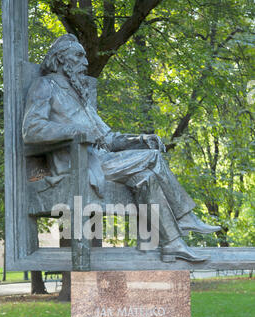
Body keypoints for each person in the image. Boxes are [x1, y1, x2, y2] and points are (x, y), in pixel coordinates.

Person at [23, 34, 220, 262]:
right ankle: (184, 216)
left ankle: (173, 244)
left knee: (145, 177)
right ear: (60, 59)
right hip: (77, 166)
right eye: (79, 56)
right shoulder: (44, 85)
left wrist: (140, 139)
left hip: (101, 161)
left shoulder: (80, 98)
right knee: (153, 159)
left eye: (85, 57)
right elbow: (31, 129)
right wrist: (75, 130)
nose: (85, 63)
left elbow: (109, 138)